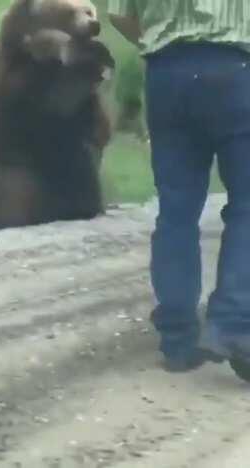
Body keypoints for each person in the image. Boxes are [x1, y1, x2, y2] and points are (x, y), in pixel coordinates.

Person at [108, 0, 250, 376]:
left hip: (166, 74)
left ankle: (178, 338)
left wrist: (162, 41)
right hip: (236, 71)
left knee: (176, 210)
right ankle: (233, 324)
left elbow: (120, 13)